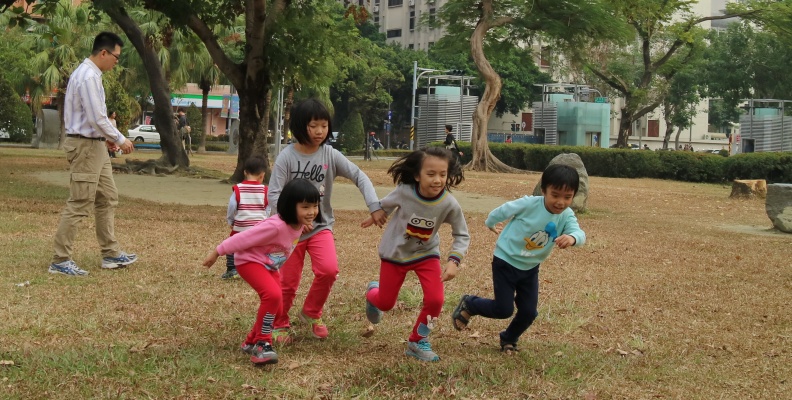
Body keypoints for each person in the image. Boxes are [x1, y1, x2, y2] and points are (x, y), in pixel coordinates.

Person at [268, 98, 387, 342]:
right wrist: (293, 218)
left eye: (324, 125)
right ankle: (279, 323)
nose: (320, 131)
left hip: (320, 227)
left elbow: (359, 176)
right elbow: (273, 193)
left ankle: (311, 312)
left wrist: (375, 206)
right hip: (288, 232)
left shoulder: (329, 154)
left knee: (329, 270)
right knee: (287, 283)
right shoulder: (286, 157)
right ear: (301, 126)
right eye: (313, 126)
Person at [451, 164, 586, 353]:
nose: (560, 202)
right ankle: (470, 303)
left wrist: (572, 238)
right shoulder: (529, 204)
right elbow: (503, 210)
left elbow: (579, 233)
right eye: (555, 195)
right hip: (505, 260)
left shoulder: (566, 215)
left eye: (567, 197)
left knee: (529, 312)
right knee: (503, 309)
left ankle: (509, 337)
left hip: (530, 268)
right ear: (544, 190)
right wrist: (491, 223)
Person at [363, 147, 470, 362]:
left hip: (426, 255)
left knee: (436, 300)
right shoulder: (404, 192)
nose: (438, 180)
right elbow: (384, 205)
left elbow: (462, 234)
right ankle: (373, 293)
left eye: (442, 174)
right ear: (417, 175)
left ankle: (418, 340)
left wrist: (453, 261)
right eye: (431, 174)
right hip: (395, 254)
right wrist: (377, 213)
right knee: (386, 303)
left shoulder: (449, 203)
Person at [203, 179, 320, 365]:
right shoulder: (275, 226)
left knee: (278, 304)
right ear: (290, 207)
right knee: (272, 296)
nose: (312, 211)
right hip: (249, 262)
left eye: (315, 206)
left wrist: (302, 223)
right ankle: (262, 344)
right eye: (305, 207)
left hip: (269, 266)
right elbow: (244, 238)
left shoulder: (298, 224)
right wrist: (217, 252)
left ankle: (250, 341)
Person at [49, 32, 136, 276]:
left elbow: (96, 119)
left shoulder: (92, 75)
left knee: (107, 197)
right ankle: (60, 259)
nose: (117, 62)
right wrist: (120, 139)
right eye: (116, 57)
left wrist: (106, 139)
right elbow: (96, 117)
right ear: (104, 53)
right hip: (85, 146)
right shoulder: (87, 76)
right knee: (80, 201)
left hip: (96, 145)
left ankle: (110, 253)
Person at [223, 156, 269, 280]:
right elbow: (268, 208)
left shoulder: (238, 188)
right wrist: (265, 219)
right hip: (259, 229)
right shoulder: (265, 190)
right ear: (262, 175)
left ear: (245, 172)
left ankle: (232, 269)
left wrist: (231, 219)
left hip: (241, 226)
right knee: (259, 248)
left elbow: (232, 205)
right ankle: (261, 268)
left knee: (232, 245)